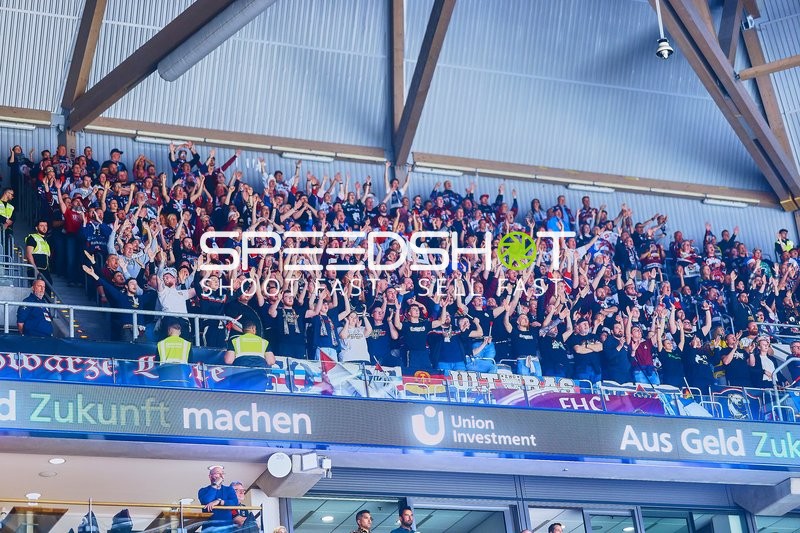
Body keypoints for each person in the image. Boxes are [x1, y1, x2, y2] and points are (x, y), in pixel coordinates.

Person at [197, 465, 238, 530]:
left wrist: (219, 501)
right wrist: (215, 484)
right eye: (218, 473)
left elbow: (235, 503)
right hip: (209, 529)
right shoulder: (203, 490)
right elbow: (206, 501)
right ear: (210, 476)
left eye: (222, 473)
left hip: (227, 529)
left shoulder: (229, 489)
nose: (221, 476)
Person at [157, 322, 193, 387]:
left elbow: (156, 362)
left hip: (165, 376)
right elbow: (191, 362)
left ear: (169, 331)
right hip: (182, 377)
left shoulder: (161, 344)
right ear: (180, 332)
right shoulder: (187, 344)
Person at [25, 219, 52, 286]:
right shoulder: (32, 237)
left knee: (48, 286)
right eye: (41, 226)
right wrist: (35, 268)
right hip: (36, 269)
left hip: (45, 269)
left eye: (46, 226)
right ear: (36, 228)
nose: (44, 228)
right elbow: (29, 254)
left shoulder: (46, 240)